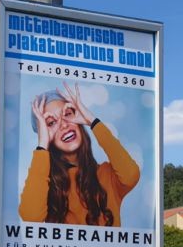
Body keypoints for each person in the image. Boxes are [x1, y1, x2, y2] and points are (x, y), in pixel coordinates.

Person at [18, 82, 140, 226]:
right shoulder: (45, 186)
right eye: (51, 123)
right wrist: (43, 144)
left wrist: (93, 121)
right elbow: (31, 217)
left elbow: (131, 175)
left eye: (68, 114)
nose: (64, 125)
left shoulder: (107, 175)